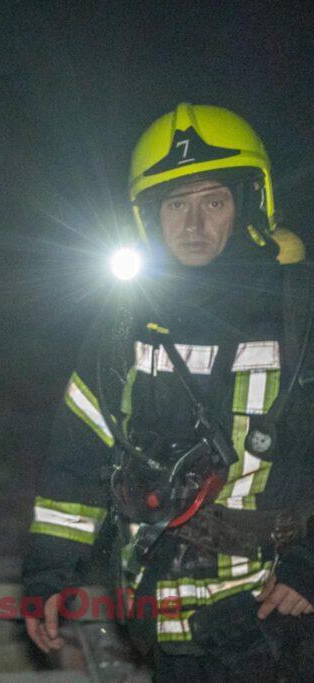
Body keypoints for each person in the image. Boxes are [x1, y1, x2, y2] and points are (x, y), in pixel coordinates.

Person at [22, 103, 314, 680]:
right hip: (164, 617)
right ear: (147, 218)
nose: (193, 226)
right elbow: (76, 460)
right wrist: (49, 574)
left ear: (250, 203)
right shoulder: (123, 324)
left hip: (278, 617)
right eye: (175, 205)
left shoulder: (298, 315)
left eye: (213, 201)